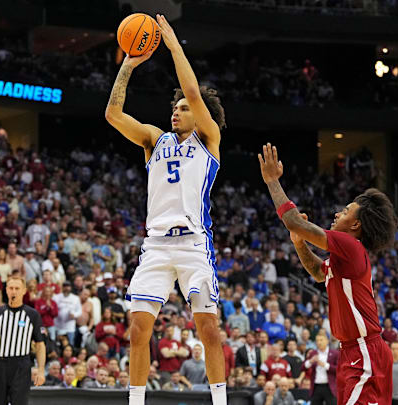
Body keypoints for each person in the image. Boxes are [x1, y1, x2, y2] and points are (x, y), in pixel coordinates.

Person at [106, 14, 227, 405]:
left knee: (208, 328)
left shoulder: (208, 140)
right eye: (173, 107)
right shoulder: (154, 140)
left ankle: (220, 401)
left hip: (194, 245)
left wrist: (173, 47)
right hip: (156, 245)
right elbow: (113, 114)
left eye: (183, 108)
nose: (176, 111)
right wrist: (128, 63)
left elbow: (193, 92)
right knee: (138, 331)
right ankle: (136, 402)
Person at [258, 145, 397, 405]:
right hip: (351, 352)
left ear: (356, 225)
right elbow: (318, 273)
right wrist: (299, 244)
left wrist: (273, 182)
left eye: (344, 212)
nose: (337, 213)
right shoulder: (343, 258)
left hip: (366, 350)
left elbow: (294, 221)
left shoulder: (351, 246)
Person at [0, 276, 46, 405]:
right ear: (6, 290)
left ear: (24, 291)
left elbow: (40, 345)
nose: (14, 291)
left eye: (17, 288)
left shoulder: (32, 315)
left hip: (22, 366)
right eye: (11, 288)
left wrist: (41, 370)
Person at [304, 332, 339, 405]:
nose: (319, 342)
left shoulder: (335, 353)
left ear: (327, 341)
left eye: (321, 340)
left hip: (329, 387)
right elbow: (303, 367)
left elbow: (339, 370)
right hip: (316, 387)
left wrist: (325, 365)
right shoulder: (313, 353)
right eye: (317, 340)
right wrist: (310, 361)